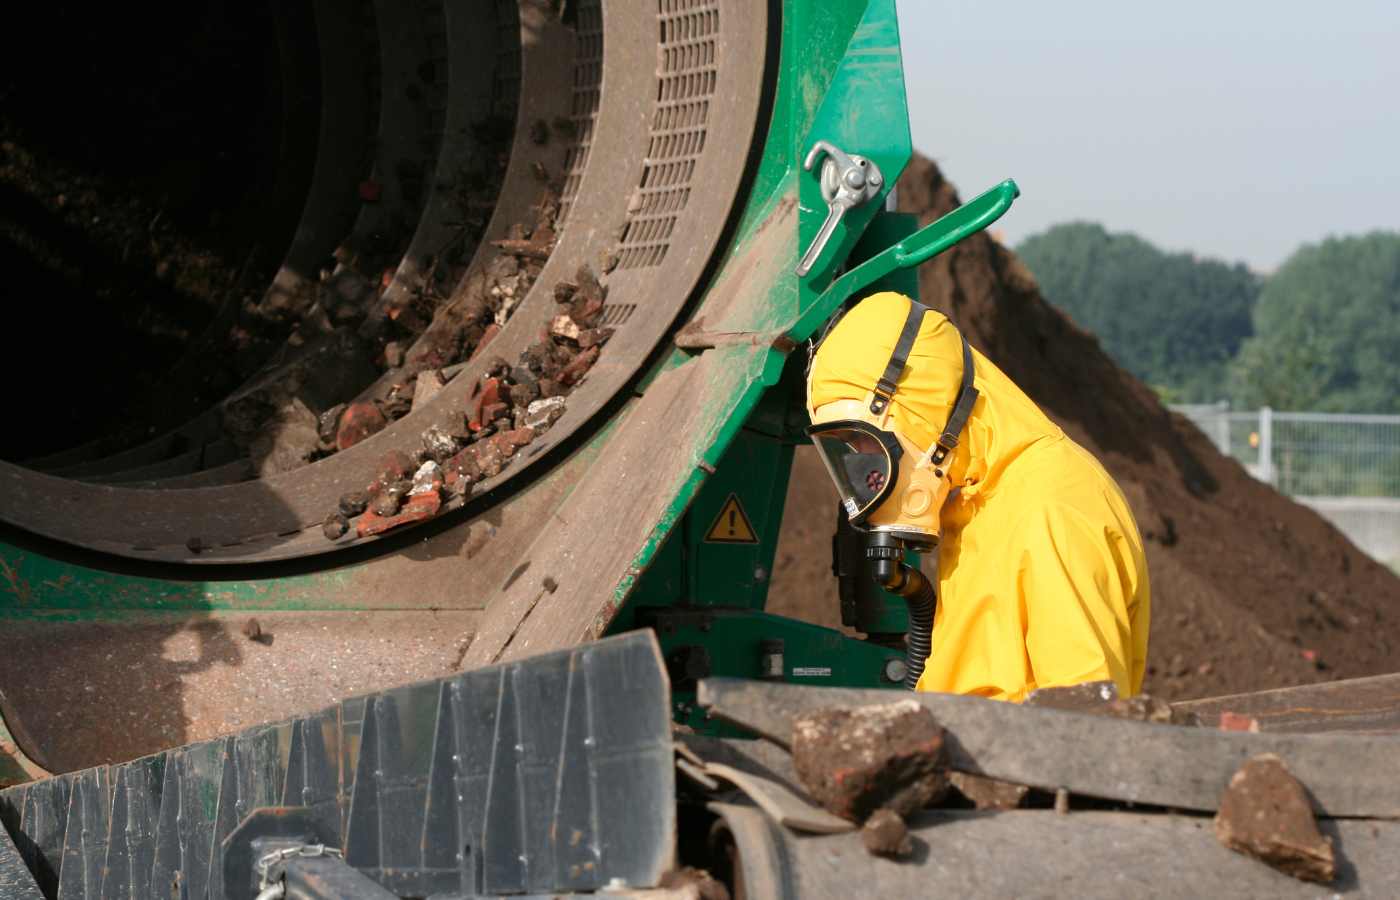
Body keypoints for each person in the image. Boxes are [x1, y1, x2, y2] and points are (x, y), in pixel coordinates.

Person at [805, 291, 1150, 700]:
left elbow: (1086, 726)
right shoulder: (978, 498)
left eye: (863, 441)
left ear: (921, 410)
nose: (865, 468)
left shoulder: (1051, 506)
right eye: (846, 447)